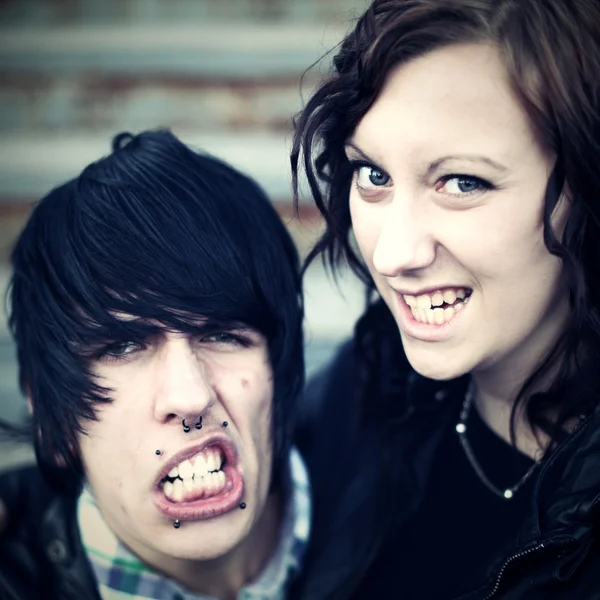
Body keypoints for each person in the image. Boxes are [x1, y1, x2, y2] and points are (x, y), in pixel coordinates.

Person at [291, 0, 600, 598]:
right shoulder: (369, 386)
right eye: (372, 175)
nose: (392, 255)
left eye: (462, 182)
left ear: (585, 192)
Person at [0, 129, 370, 600]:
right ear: (53, 421)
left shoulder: (397, 501)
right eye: (123, 348)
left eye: (221, 335)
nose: (190, 396)